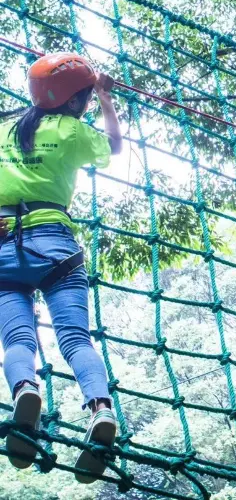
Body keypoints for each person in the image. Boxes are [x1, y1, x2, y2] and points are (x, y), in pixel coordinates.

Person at [0, 53, 122, 482]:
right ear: (75, 101)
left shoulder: (4, 131)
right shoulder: (72, 130)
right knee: (74, 338)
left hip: (2, 247)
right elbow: (115, 146)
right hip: (55, 242)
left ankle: (25, 391)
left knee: (17, 337)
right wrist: (107, 98)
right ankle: (100, 408)